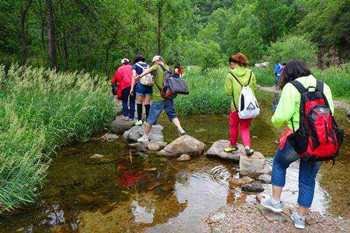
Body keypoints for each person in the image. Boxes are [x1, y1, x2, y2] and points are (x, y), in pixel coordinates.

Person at [260, 59, 335, 230]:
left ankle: (276, 202)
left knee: (279, 163)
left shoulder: (291, 87)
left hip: (298, 140)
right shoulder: (324, 86)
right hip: (319, 142)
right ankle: (300, 218)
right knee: (308, 179)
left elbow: (279, 118)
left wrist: (276, 121)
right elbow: (330, 114)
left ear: (288, 73)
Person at [135, 55, 186, 143]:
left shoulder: (156, 66)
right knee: (172, 115)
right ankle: (180, 129)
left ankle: (145, 136)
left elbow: (148, 71)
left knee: (151, 118)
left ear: (156, 61)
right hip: (169, 96)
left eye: (153, 63)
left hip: (159, 98)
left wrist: (139, 76)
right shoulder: (169, 68)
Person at [224, 53, 257, 156]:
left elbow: (228, 93)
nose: (230, 66)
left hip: (235, 107)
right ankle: (247, 147)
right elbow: (254, 89)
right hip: (247, 108)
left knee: (233, 126)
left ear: (234, 63)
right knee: (245, 127)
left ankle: (232, 145)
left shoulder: (230, 74)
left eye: (231, 64)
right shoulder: (251, 73)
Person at [130, 54, 152, 126]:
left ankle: (139, 120)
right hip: (149, 85)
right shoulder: (148, 65)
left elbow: (134, 77)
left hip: (140, 85)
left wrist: (132, 88)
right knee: (147, 103)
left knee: (139, 103)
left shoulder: (135, 66)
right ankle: (148, 120)